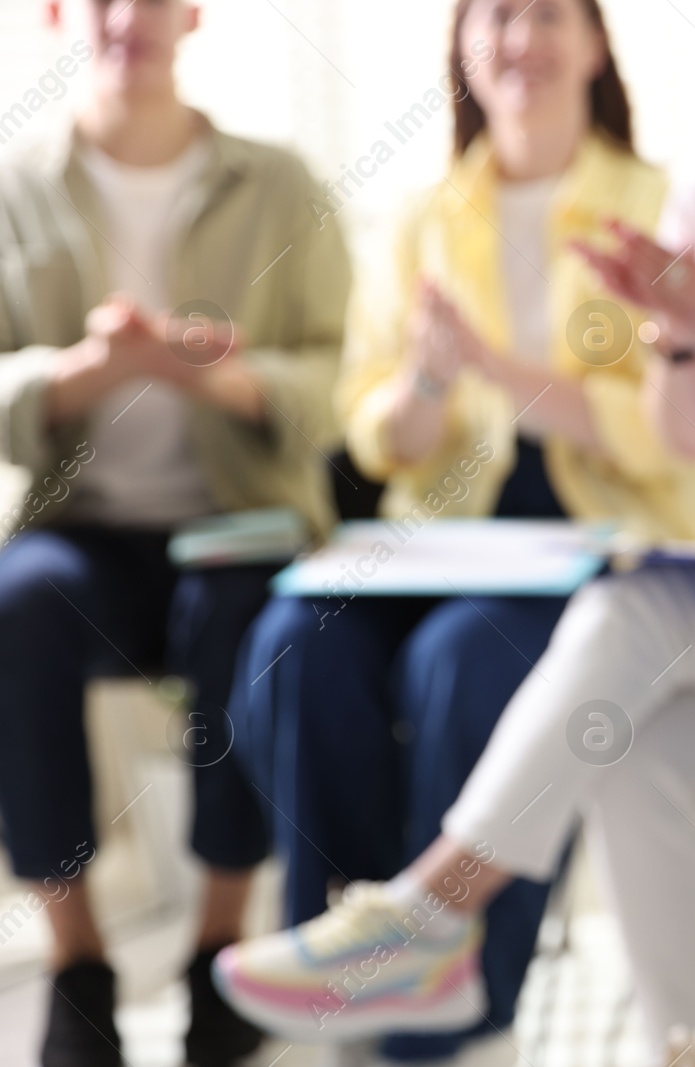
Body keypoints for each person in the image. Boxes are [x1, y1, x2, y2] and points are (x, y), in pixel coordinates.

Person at [213, 0, 695, 1054]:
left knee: (624, 616)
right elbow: (689, 432)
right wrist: (679, 341)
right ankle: (693, 1040)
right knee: (631, 753)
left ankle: (428, 914)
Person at [224, 0, 695, 1060]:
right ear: (461, 49)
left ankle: (459, 1003)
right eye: (494, 15)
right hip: (442, 536)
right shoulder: (423, 218)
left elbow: (671, 433)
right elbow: (377, 435)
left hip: (606, 533)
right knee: (289, 651)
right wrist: (426, 379)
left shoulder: (657, 205)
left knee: (461, 660)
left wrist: (500, 375)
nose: (520, 39)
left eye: (548, 14)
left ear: (595, 45)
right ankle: (354, 948)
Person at [0, 2, 351, 1066]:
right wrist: (83, 371)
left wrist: (221, 375)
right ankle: (79, 962)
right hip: (89, 532)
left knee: (242, 612)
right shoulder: (19, 183)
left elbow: (326, 382)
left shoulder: (280, 182)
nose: (127, 17)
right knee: (17, 604)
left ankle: (213, 950)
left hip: (235, 522)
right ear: (61, 12)